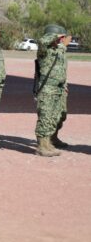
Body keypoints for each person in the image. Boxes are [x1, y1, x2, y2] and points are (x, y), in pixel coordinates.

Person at [34, 24, 70, 157]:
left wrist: (64, 85)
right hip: (47, 88)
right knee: (45, 116)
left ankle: (49, 141)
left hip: (59, 88)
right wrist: (56, 35)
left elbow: (62, 69)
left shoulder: (58, 50)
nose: (61, 40)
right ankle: (42, 145)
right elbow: (42, 41)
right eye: (59, 37)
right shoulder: (44, 51)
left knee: (56, 116)